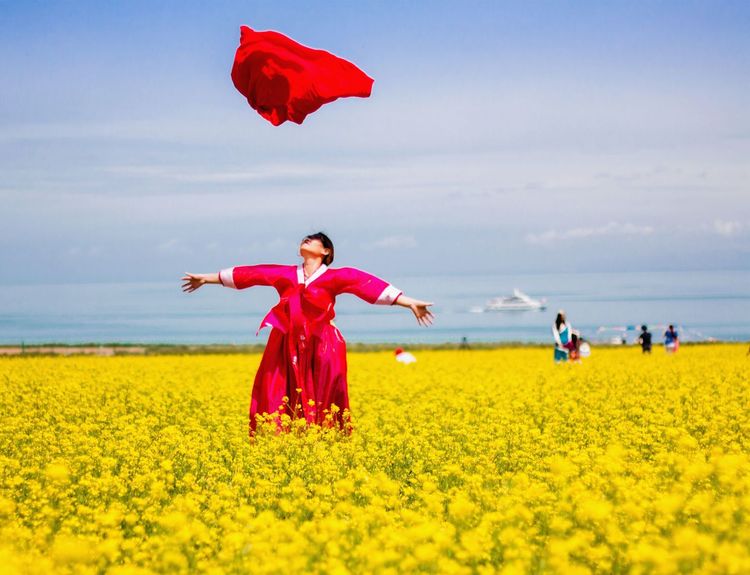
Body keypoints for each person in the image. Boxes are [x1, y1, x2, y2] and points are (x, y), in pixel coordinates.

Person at [182, 232, 434, 435]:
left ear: (326, 252)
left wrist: (409, 302)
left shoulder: (337, 276)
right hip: (285, 343)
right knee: (274, 389)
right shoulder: (285, 274)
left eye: (314, 239)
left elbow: (368, 286)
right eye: (305, 238)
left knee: (326, 394)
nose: (306, 240)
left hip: (324, 344)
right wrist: (205, 278)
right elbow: (251, 274)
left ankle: (325, 440)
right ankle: (278, 440)